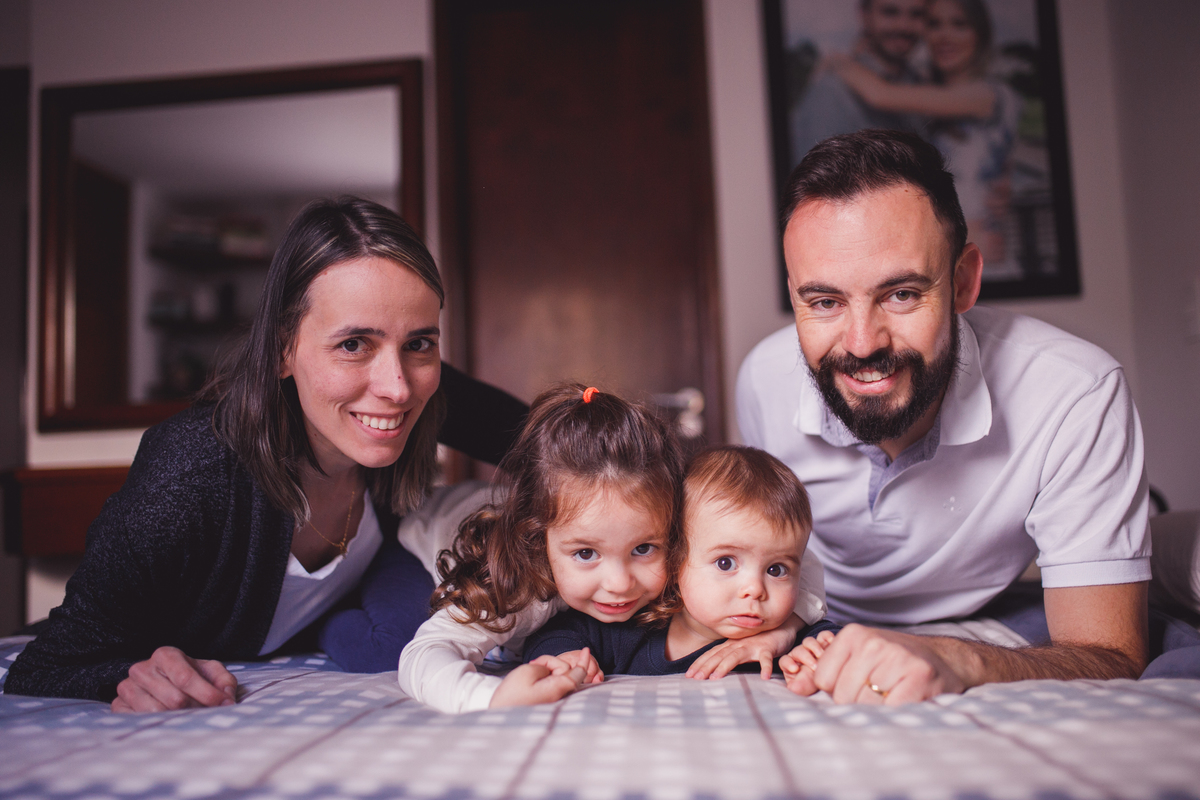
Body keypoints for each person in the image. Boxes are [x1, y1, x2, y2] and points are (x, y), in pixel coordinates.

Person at [5, 197, 527, 710]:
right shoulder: (190, 470)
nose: (397, 388)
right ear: (282, 349)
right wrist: (126, 675)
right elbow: (47, 665)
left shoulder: (422, 389)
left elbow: (552, 445)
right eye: (353, 345)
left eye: (420, 343)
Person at [737, 129, 1152, 704]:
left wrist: (954, 657)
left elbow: (1111, 654)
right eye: (825, 302)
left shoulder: (1077, 394)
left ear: (962, 282)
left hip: (983, 625)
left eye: (901, 294)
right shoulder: (762, 380)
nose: (861, 344)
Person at [397, 384, 686, 713]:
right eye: (586, 553)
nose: (619, 583)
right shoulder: (518, 581)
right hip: (408, 538)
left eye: (644, 548)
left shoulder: (678, 550)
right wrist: (491, 697)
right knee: (379, 642)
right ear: (537, 535)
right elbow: (425, 652)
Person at [522, 446, 836, 678]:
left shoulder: (789, 639)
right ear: (676, 559)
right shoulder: (633, 626)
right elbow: (553, 634)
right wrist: (565, 658)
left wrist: (816, 654)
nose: (754, 589)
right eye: (726, 563)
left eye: (776, 569)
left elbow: (836, 644)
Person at [828, 0, 1020, 267]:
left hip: (975, 256)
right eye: (933, 24)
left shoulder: (987, 95)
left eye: (959, 24)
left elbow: (881, 95)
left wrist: (836, 63)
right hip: (935, 257)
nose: (944, 35)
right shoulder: (928, 95)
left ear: (980, 33)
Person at [791, 0, 928, 161]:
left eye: (916, 14)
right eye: (890, 12)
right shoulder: (833, 91)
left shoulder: (920, 82)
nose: (904, 26)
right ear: (864, 15)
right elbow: (816, 182)